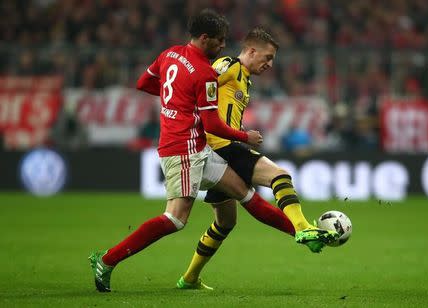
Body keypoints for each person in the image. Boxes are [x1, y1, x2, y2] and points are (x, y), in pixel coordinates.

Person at [88, 11, 338, 293]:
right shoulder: (211, 70)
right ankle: (107, 260)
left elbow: (143, 84)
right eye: (219, 41)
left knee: (244, 197)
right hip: (183, 147)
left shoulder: (170, 54)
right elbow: (211, 122)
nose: (222, 46)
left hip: (200, 147)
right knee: (175, 219)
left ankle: (301, 233)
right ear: (205, 38)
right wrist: (244, 136)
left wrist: (178, 98)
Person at [177, 27, 336, 290]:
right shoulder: (228, 66)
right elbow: (197, 86)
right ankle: (303, 227)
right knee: (279, 176)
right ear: (251, 51)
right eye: (268, 57)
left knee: (225, 222)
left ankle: (190, 278)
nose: (270, 64)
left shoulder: (244, 78)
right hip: (222, 146)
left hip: (219, 149)